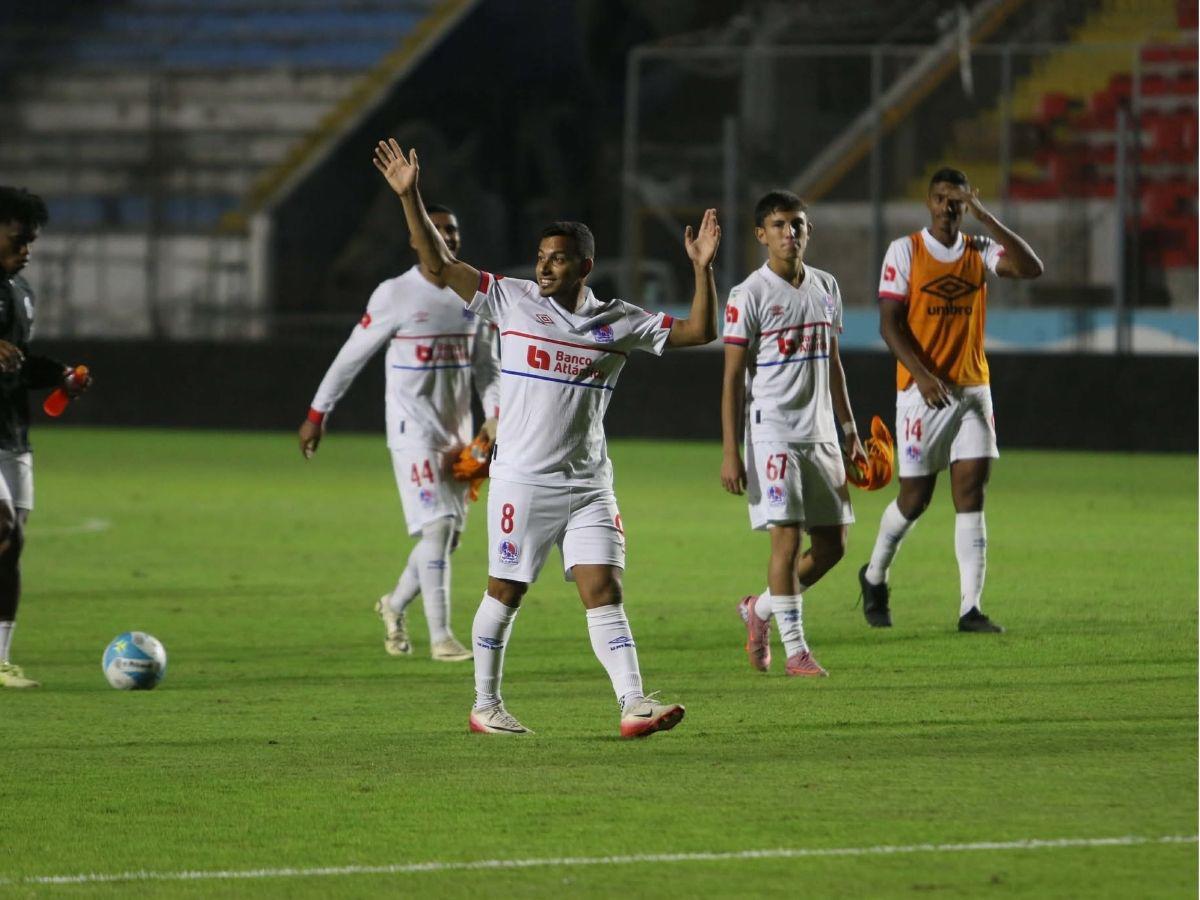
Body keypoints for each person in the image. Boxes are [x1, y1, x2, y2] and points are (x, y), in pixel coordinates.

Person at [373, 138, 720, 738]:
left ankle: (633, 703)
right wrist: (412, 199)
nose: (544, 266)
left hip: (588, 485)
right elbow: (437, 265)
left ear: (584, 265)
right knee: (505, 591)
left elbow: (699, 330)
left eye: (557, 259)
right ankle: (485, 704)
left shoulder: (618, 321)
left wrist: (702, 269)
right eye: (540, 256)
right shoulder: (509, 299)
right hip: (521, 480)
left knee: (604, 590)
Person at [298, 204, 500, 662]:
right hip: (412, 433)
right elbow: (352, 356)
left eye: (454, 231)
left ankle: (393, 604)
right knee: (439, 527)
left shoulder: (474, 294)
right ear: (417, 238)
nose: (448, 237)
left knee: (445, 539)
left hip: (459, 436)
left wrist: (495, 416)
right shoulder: (395, 294)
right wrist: (317, 414)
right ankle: (442, 637)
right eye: (438, 230)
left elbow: (488, 367)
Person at [857, 167, 1043, 633]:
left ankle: (969, 608)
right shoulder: (906, 251)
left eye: (957, 200)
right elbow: (889, 324)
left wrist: (988, 217)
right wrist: (921, 375)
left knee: (971, 494)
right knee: (915, 498)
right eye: (941, 198)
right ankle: (874, 574)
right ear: (928, 202)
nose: (948, 207)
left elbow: (1030, 268)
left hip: (972, 390)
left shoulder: (979, 251)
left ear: (966, 206)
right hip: (922, 394)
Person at [721, 190, 867, 677]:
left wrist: (850, 430)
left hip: (821, 432)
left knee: (834, 547)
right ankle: (795, 650)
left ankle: (759, 611)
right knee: (784, 543)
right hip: (773, 433)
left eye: (798, 224)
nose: (790, 233)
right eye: (780, 225)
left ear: (809, 230)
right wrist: (730, 452)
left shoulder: (826, 285)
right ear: (761, 235)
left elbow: (834, 365)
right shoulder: (748, 295)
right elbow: (732, 380)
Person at [0, 186, 92, 688]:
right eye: (18, 239)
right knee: (3, 532)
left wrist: (60, 375)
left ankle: (0, 659)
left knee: (11, 550)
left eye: (31, 241)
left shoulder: (22, 292)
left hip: (12, 433)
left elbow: (18, 364)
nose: (26, 250)